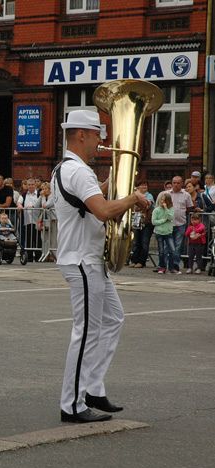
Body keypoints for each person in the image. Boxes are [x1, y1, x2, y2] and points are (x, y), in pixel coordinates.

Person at [52, 109, 150, 423]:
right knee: (87, 333)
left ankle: (92, 386)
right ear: (81, 134)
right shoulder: (78, 171)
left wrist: (110, 183)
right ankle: (72, 404)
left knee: (113, 320)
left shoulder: (69, 168)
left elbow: (92, 201)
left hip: (87, 260)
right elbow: (104, 211)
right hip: (82, 260)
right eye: (97, 135)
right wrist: (132, 199)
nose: (100, 142)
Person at [163, 176, 193, 273]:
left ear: (182, 183)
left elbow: (189, 208)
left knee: (177, 246)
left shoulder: (186, 195)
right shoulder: (166, 194)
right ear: (172, 183)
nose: (176, 185)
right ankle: (164, 265)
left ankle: (175, 266)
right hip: (168, 223)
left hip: (180, 224)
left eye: (178, 183)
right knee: (167, 246)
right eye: (174, 183)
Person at [129, 180, 155, 268]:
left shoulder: (149, 195)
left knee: (144, 242)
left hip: (146, 222)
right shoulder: (133, 195)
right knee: (136, 242)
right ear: (138, 186)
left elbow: (147, 205)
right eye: (142, 185)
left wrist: (138, 204)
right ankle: (134, 260)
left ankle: (141, 261)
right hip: (136, 221)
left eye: (146, 185)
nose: (144, 187)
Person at [18, 179, 42, 261]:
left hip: (38, 220)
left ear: (35, 185)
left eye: (32, 184)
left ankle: (38, 257)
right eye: (29, 185)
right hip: (27, 221)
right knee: (28, 239)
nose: (31, 186)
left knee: (38, 239)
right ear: (27, 185)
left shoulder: (39, 194)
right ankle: (29, 257)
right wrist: (19, 206)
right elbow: (19, 202)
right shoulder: (23, 195)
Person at [152, 192, 175, 275]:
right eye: (161, 199)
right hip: (159, 233)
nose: (162, 201)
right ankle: (162, 267)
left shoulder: (171, 209)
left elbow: (171, 217)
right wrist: (163, 220)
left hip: (168, 232)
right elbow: (154, 222)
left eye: (164, 200)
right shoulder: (156, 210)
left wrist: (166, 209)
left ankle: (172, 268)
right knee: (161, 251)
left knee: (172, 250)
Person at [38, 181, 56, 261]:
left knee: (53, 239)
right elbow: (36, 205)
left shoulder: (52, 196)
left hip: (54, 219)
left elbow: (45, 205)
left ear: (50, 189)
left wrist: (42, 197)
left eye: (45, 189)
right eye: (42, 189)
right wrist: (40, 197)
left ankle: (54, 256)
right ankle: (45, 253)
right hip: (47, 220)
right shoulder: (45, 197)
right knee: (44, 238)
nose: (44, 191)